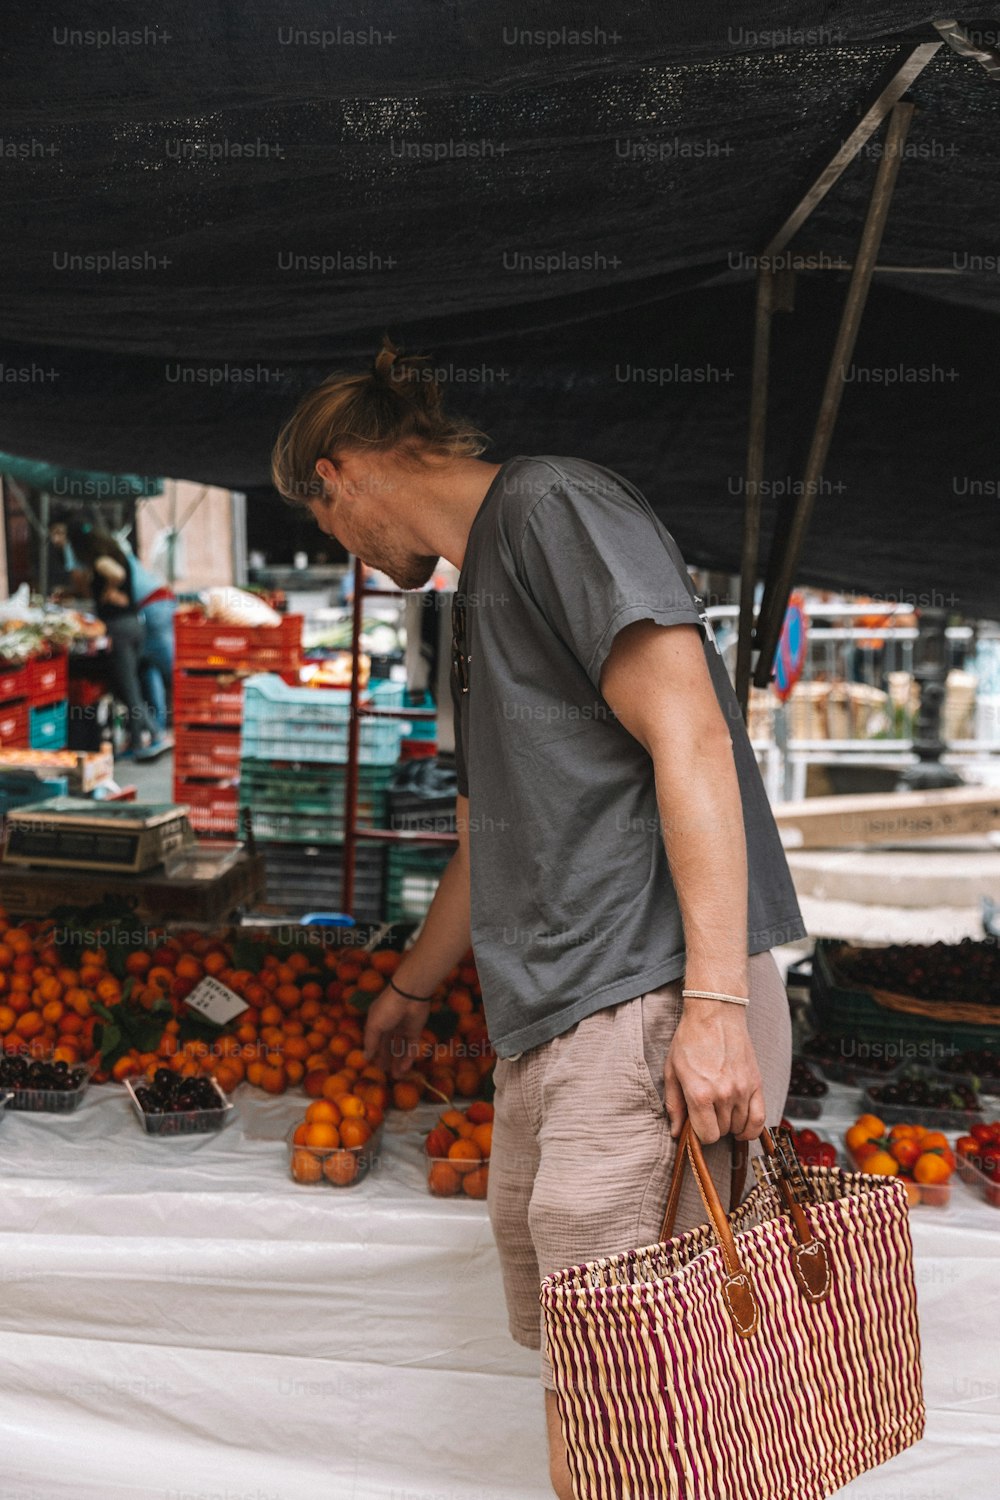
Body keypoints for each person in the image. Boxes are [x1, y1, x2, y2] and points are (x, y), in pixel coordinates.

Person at [271, 338, 808, 1500]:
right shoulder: (474, 596)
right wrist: (412, 989)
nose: (340, 552)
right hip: (554, 1022)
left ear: (342, 469)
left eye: (323, 524)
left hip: (648, 998)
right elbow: (490, 835)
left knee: (647, 1380)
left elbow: (694, 737)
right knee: (589, 1372)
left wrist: (712, 1009)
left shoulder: (554, 506)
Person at [66, 522, 166, 761]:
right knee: (126, 685)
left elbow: (116, 575)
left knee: (128, 687)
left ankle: (152, 736)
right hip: (133, 625)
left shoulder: (101, 560)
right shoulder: (117, 553)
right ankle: (141, 738)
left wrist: (110, 589)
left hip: (120, 629)